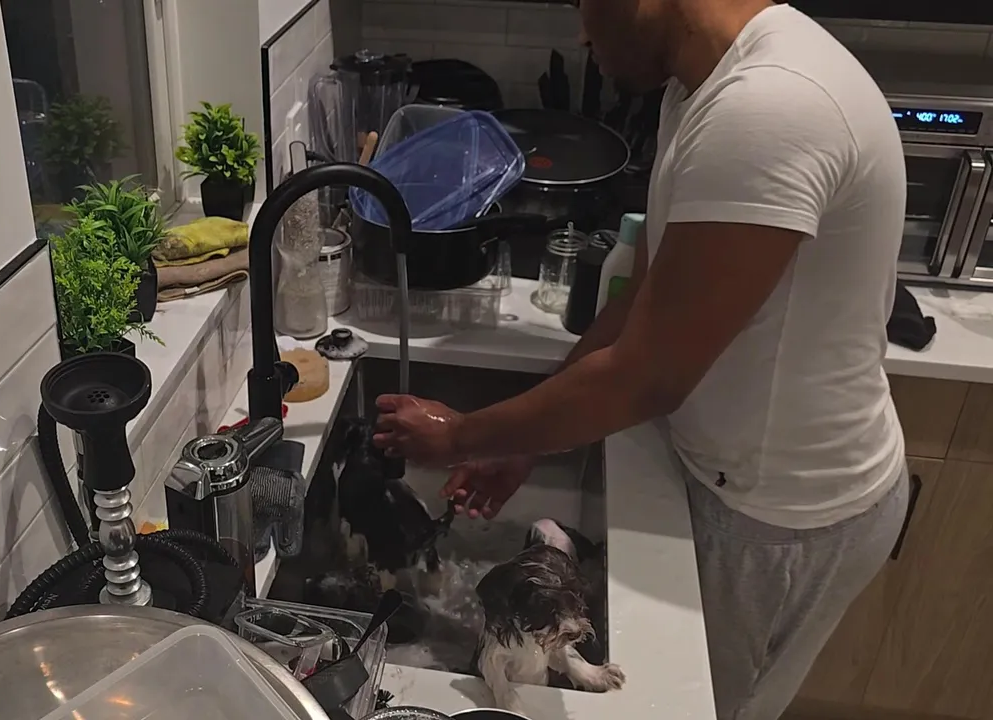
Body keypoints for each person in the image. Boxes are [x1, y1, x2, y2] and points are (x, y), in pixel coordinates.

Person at [370, 2, 910, 719]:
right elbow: (644, 302)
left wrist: (461, 436)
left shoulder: (768, 108)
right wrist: (522, 441)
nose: (582, 34)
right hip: (733, 475)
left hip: (780, 514)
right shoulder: (700, 88)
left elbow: (649, 376)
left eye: (585, 4)